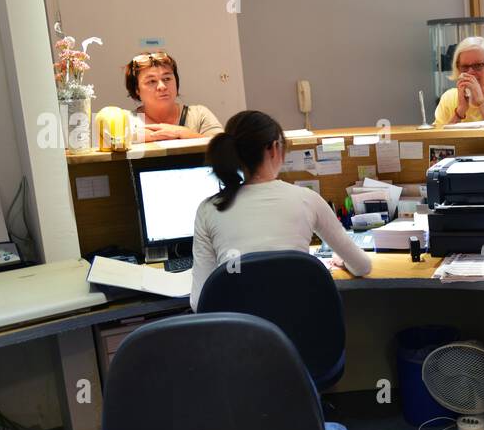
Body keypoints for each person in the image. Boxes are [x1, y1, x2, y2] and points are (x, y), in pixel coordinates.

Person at [190, 110, 371, 309]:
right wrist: (343, 260)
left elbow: (199, 302)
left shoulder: (208, 209)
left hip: (241, 337)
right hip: (304, 336)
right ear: (274, 148)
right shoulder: (307, 199)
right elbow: (362, 266)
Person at [124, 51, 225, 141]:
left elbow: (224, 148)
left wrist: (181, 133)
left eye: (167, 79)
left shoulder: (198, 115)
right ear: (137, 89)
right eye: (151, 81)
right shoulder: (126, 121)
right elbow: (110, 141)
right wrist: (152, 135)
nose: (162, 86)